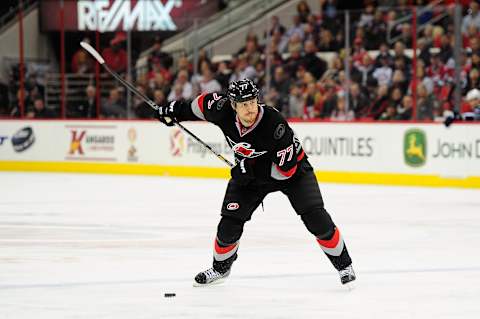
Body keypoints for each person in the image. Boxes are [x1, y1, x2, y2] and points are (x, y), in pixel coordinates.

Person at [155, 79, 356, 287]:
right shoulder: (219, 108)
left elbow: (286, 171)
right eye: (243, 104)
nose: (250, 109)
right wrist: (171, 111)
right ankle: (220, 269)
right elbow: (196, 107)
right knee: (228, 225)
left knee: (316, 218)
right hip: (249, 175)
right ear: (232, 105)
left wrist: (248, 169)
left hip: (293, 172)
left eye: (252, 102)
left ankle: (344, 266)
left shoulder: (274, 123)